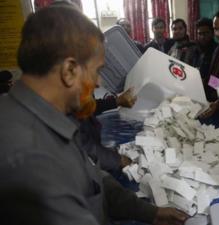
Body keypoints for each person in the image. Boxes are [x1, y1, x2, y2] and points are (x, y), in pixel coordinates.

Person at [0, 6, 187, 225]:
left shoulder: (47, 119)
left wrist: (150, 213)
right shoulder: (32, 155)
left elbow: (92, 178)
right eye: (96, 71)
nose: (98, 83)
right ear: (69, 71)